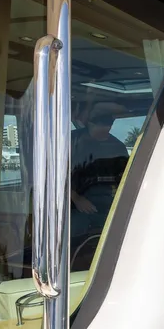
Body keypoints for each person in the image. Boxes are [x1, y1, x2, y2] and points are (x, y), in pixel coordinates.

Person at [70, 102, 129, 264]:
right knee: (74, 226)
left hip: (107, 201)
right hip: (74, 203)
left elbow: (125, 179)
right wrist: (76, 198)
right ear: (89, 123)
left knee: (120, 227)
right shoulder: (72, 141)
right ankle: (74, 264)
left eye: (108, 126)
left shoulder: (118, 147)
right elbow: (56, 174)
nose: (105, 130)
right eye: (100, 127)